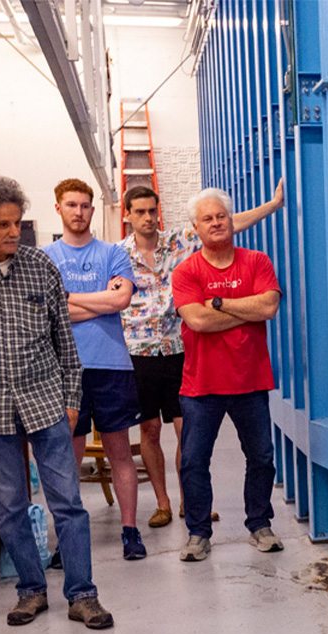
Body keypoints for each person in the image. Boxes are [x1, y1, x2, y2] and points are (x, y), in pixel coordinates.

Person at [0, 175, 113, 628]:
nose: (15, 231)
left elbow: (65, 345)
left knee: (69, 504)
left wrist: (71, 400)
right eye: (3, 224)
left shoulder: (42, 267)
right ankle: (31, 591)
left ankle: (82, 594)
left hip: (46, 404)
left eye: (17, 222)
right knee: (11, 508)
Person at [119, 181, 284, 528]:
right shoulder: (119, 254)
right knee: (149, 430)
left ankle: (191, 506)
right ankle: (163, 504)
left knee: (189, 440)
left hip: (179, 351)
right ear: (127, 216)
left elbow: (227, 221)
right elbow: (196, 318)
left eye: (152, 210)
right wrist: (240, 312)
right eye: (140, 212)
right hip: (140, 352)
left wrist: (272, 206)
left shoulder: (179, 242)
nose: (148, 218)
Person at [172, 188, 283, 562]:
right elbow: (197, 320)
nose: (216, 223)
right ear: (196, 227)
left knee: (262, 457)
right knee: (193, 461)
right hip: (201, 385)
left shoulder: (256, 261)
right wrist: (242, 310)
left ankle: (259, 524)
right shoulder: (187, 271)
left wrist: (219, 302)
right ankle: (198, 534)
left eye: (221, 216)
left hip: (250, 381)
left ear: (231, 220)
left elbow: (268, 306)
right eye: (207, 219)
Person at [42, 178, 144, 561]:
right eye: (72, 205)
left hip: (112, 365)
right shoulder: (45, 257)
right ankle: (67, 540)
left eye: (85, 205)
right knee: (67, 458)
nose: (80, 212)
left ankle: (130, 532)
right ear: (58, 208)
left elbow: (121, 300)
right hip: (63, 368)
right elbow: (52, 311)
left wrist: (71, 300)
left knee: (120, 452)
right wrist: (100, 301)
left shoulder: (113, 253)